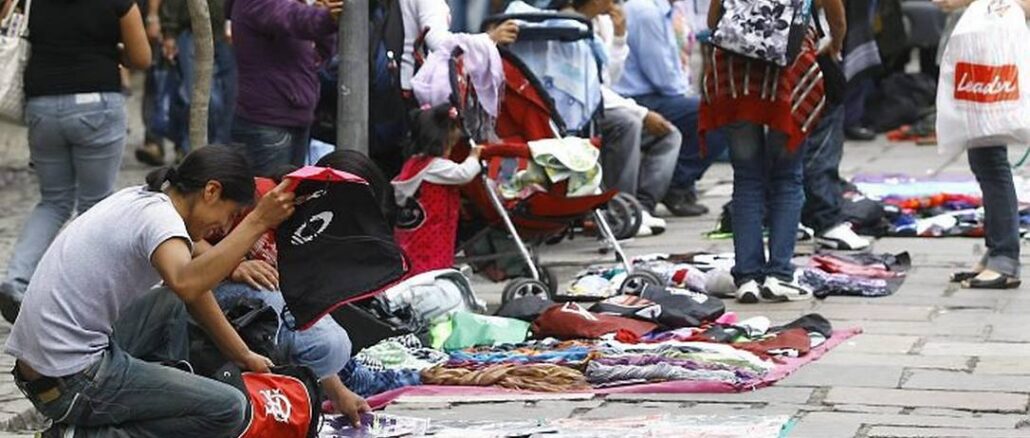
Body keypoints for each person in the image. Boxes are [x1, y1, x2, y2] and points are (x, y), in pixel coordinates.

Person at [6, 146, 297, 437]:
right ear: (211, 191)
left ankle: (160, 394)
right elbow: (187, 284)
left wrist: (243, 355)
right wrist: (257, 222)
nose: (224, 226)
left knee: (169, 303)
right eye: (231, 214)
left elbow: (194, 291)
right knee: (229, 408)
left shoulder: (145, 199)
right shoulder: (160, 221)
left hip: (43, 372)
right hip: (73, 382)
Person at [204, 150, 389, 425]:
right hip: (208, 301)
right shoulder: (262, 197)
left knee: (333, 343)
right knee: (277, 309)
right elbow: (185, 236)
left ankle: (278, 397)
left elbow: (303, 320)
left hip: (259, 317)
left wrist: (338, 394)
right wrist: (234, 265)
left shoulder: (318, 236)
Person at [0, 0, 152, 323]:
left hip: (41, 106)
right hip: (97, 103)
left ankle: (16, 279)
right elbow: (142, 57)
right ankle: (89, 293)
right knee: (96, 205)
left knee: (53, 201)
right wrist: (113, 52)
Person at [700, 0, 846, 302]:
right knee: (787, 176)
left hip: (735, 69)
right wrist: (835, 42)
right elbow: (836, 14)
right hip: (788, 66)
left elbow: (714, 19)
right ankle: (779, 275)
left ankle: (747, 277)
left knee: (746, 177)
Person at [563, 0, 681, 236]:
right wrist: (642, 112)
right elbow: (589, 88)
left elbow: (608, 79)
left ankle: (640, 207)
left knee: (669, 135)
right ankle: (621, 209)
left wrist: (619, 38)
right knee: (628, 122)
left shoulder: (604, 22)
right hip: (578, 108)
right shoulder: (568, 25)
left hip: (604, 102)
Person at [936, 0, 1026, 289]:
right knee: (983, 158)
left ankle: (1004, 258)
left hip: (999, 58)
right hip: (985, 56)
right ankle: (996, 252)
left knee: (990, 161)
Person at [615, 0, 728, 217]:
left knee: (711, 108)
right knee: (719, 113)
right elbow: (662, 76)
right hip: (639, 98)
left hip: (657, 94)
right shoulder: (646, 12)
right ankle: (676, 182)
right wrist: (690, 97)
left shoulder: (667, 10)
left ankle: (677, 180)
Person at [228, 0, 342, 176]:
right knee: (270, 191)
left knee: (290, 190)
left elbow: (319, 52)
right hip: (267, 123)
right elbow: (292, 17)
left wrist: (323, 16)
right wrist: (326, 17)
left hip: (295, 117)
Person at [136, 0, 238, 165]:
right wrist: (169, 31)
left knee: (228, 97)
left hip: (226, 32)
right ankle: (189, 149)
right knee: (197, 96)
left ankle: (216, 151)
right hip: (192, 31)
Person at [393, 104, 482, 277]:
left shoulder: (414, 163)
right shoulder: (435, 167)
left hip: (416, 231)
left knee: (414, 264)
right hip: (433, 231)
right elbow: (464, 173)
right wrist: (474, 157)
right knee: (430, 268)